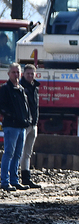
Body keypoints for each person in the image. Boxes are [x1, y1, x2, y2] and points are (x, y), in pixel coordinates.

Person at [0, 63, 31, 191]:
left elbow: (26, 107)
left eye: (18, 72)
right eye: (13, 72)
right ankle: (4, 182)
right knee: (9, 153)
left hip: (21, 127)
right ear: (8, 74)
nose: (16, 74)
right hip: (11, 126)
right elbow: (2, 107)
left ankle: (14, 180)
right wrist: (12, 117)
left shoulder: (21, 89)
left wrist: (27, 119)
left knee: (18, 154)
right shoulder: (4, 89)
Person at [19, 64, 41, 189]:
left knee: (28, 153)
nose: (30, 76)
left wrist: (35, 121)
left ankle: (26, 178)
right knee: (18, 152)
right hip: (24, 124)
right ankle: (12, 178)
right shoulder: (20, 87)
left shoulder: (35, 87)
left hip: (33, 124)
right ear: (24, 74)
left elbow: (35, 106)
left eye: (32, 74)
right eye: (28, 73)